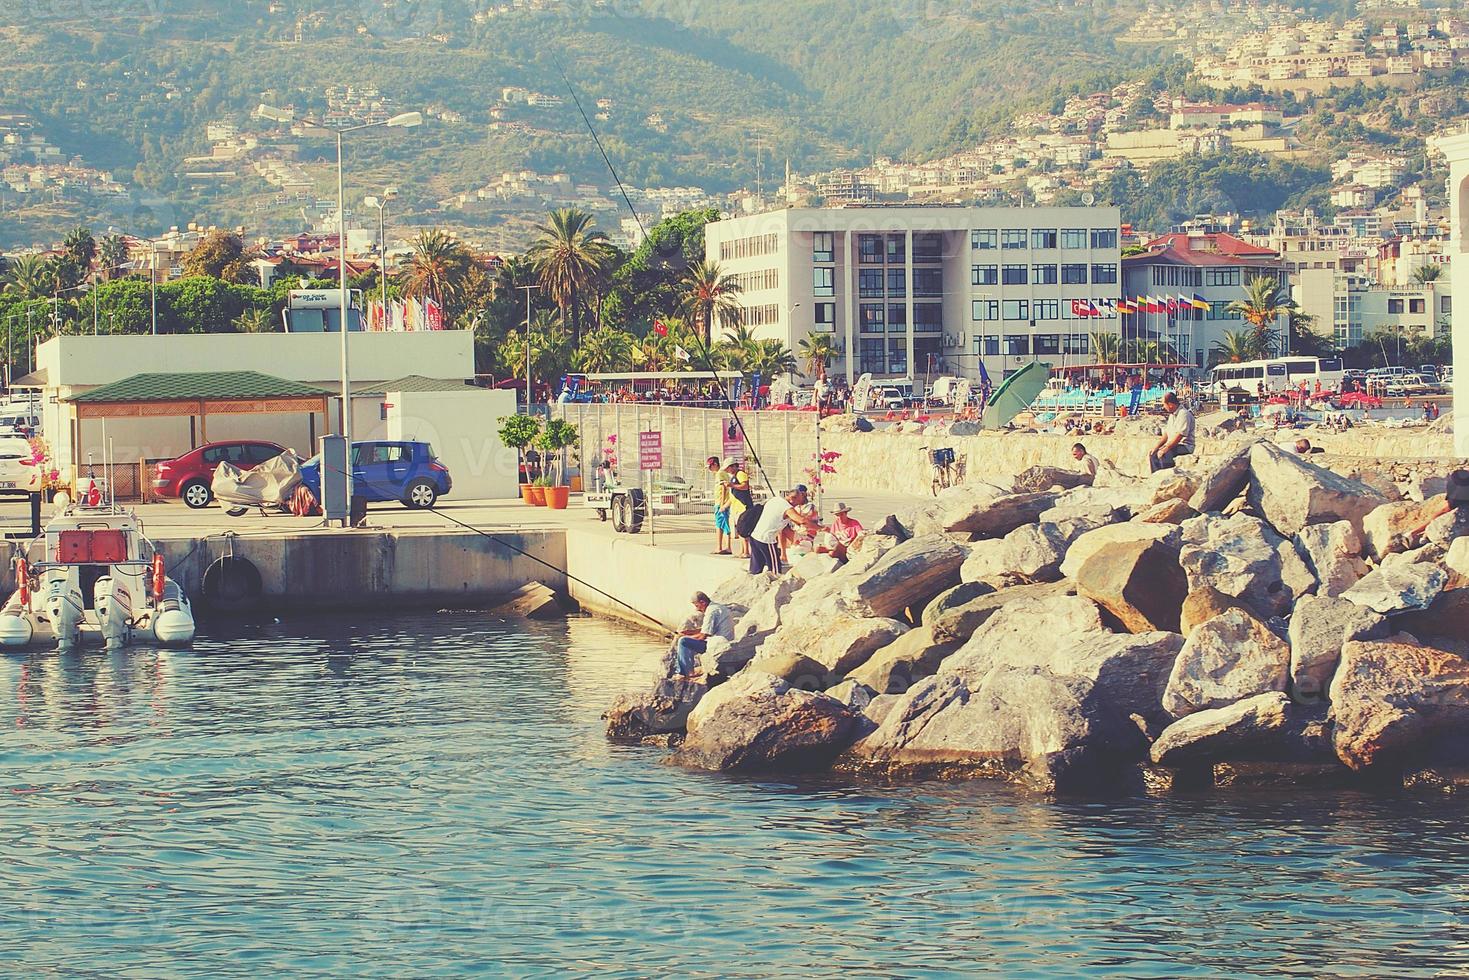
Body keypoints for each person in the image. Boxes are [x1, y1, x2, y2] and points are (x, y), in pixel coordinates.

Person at [749, 486, 815, 577]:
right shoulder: (787, 507)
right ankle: (775, 588)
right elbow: (801, 520)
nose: (796, 506)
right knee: (775, 570)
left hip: (755, 536)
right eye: (797, 503)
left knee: (755, 569)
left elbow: (784, 523)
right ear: (792, 498)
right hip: (766, 540)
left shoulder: (775, 500)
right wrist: (820, 528)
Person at [672, 591, 734, 678]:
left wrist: (685, 637)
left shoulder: (711, 612)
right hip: (724, 642)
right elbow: (708, 630)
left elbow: (703, 636)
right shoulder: (718, 607)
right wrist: (690, 632)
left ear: (703, 602)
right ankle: (689, 670)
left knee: (683, 642)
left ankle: (684, 673)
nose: (697, 609)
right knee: (687, 640)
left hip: (718, 646)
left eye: (697, 605)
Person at [1148, 391, 1195, 473]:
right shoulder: (1172, 415)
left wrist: (1166, 448)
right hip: (1173, 444)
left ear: (1170, 404)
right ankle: (1157, 477)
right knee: (1153, 454)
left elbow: (1180, 435)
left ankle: (1167, 476)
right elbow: (1166, 435)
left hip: (1185, 445)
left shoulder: (1184, 414)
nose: (1163, 407)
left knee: (1165, 454)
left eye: (1164, 404)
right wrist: (1156, 447)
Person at [727, 460, 753, 558]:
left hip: (743, 506)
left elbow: (745, 486)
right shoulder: (734, 477)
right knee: (740, 529)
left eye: (728, 468)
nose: (727, 470)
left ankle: (746, 551)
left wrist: (732, 485)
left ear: (733, 466)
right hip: (736, 507)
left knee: (744, 529)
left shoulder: (741, 474)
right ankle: (743, 550)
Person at [707, 456, 732, 555]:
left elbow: (723, 488)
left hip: (721, 503)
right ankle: (723, 546)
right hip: (721, 502)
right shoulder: (722, 473)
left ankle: (723, 547)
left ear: (715, 464)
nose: (709, 469)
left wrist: (722, 504)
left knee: (721, 525)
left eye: (710, 466)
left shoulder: (720, 473)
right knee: (722, 524)